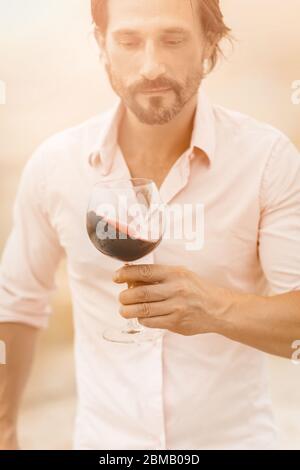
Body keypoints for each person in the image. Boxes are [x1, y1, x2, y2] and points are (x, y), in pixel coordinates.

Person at [0, 0, 300, 450]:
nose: (152, 65)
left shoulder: (267, 160)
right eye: (129, 41)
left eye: (173, 39)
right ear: (102, 45)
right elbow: (17, 305)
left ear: (210, 45)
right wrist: (5, 431)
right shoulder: (55, 165)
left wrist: (213, 309)